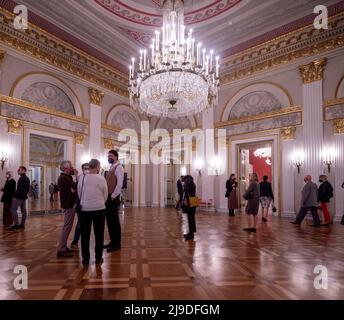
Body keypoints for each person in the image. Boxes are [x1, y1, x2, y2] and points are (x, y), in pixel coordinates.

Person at [78, 159, 107, 266]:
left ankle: (85, 259)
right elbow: (105, 193)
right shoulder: (101, 178)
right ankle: (98, 258)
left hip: (85, 209)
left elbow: (79, 191)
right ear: (98, 167)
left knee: (85, 234)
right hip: (99, 208)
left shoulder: (82, 177)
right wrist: (99, 202)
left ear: (89, 167)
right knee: (99, 234)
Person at [57, 160, 78, 257]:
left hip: (69, 203)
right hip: (69, 204)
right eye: (71, 167)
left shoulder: (66, 177)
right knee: (67, 227)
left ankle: (64, 247)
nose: (72, 169)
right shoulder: (65, 178)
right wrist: (77, 175)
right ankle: (61, 249)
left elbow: (74, 189)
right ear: (66, 168)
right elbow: (76, 186)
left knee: (68, 227)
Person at [104, 150, 124, 252]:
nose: (109, 157)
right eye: (108, 156)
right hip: (108, 197)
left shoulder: (119, 167)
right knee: (110, 221)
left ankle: (117, 244)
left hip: (112, 198)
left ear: (116, 157)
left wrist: (112, 196)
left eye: (111, 156)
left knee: (114, 222)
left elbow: (119, 184)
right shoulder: (111, 167)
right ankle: (112, 241)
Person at [70, 163, 89, 250]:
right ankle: (75, 241)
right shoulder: (79, 177)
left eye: (88, 168)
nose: (87, 170)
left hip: (91, 204)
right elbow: (75, 190)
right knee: (80, 224)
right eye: (85, 168)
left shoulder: (93, 177)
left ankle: (87, 242)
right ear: (82, 169)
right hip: (80, 204)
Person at [182, 175, 197, 241]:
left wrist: (184, 201)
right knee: (192, 219)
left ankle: (188, 235)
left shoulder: (187, 184)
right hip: (193, 203)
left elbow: (185, 194)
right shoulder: (193, 184)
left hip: (188, 203)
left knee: (187, 220)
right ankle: (191, 234)